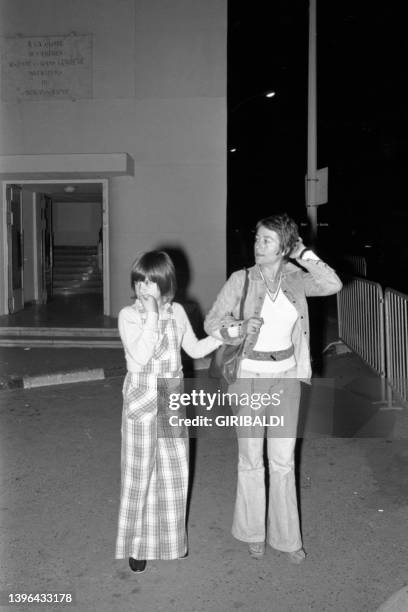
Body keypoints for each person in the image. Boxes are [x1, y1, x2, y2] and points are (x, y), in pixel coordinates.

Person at [204, 213, 342, 563]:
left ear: (283, 246)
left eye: (266, 240)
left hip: (286, 378)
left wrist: (303, 253)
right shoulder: (242, 279)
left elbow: (332, 284)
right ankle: (252, 532)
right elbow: (212, 323)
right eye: (256, 239)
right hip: (249, 376)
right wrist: (238, 327)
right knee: (251, 460)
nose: (257, 245)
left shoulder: (296, 279)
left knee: (282, 461)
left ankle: (287, 538)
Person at [115, 250, 222, 573]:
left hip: (171, 398)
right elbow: (138, 358)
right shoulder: (128, 315)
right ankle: (138, 545)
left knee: (174, 474)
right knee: (139, 475)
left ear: (165, 283)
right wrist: (150, 316)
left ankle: (170, 542)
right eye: (139, 280)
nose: (144, 287)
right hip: (141, 397)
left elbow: (195, 350)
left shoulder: (176, 311)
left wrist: (224, 337)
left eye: (151, 281)